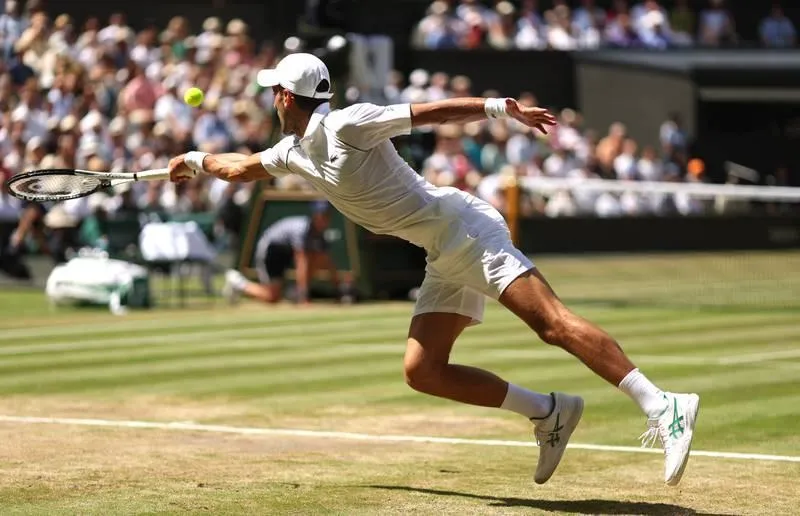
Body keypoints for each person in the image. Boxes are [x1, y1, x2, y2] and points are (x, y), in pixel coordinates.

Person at [168, 53, 699, 486]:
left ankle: (663, 405)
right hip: (442, 250)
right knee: (423, 371)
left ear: (286, 97)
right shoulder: (292, 151)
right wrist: (192, 161)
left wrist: (499, 108)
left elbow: (431, 113)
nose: (270, 99)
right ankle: (549, 411)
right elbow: (238, 168)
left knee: (551, 323)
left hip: (468, 230)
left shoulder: (348, 124)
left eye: (273, 91)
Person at [223, 200, 348, 305]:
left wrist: (339, 288)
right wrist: (303, 297)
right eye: (322, 215)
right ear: (315, 215)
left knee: (317, 257)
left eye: (327, 215)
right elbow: (301, 262)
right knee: (272, 297)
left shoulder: (319, 234)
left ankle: (299, 292)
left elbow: (327, 261)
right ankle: (237, 282)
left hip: (284, 253)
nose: (324, 219)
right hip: (271, 250)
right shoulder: (301, 229)